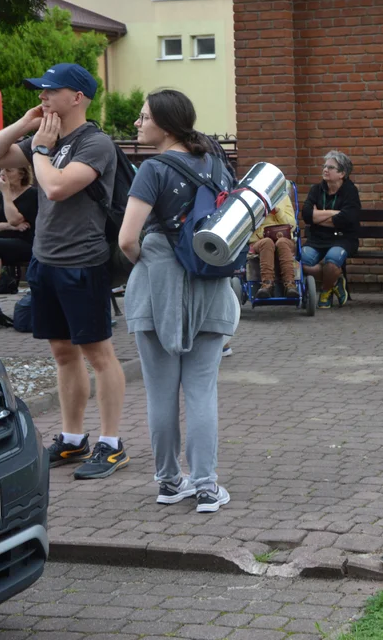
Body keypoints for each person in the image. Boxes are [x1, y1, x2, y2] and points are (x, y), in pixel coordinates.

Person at [0, 62, 127, 479]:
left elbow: (58, 187)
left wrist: (40, 151)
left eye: (49, 91)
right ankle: (73, 438)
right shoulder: (45, 136)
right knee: (62, 353)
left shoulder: (95, 143)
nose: (42, 96)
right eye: (39, 91)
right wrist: (26, 124)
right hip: (46, 261)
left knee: (98, 353)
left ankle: (112, 444)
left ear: (76, 97)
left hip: (83, 262)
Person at [118, 89, 238, 513]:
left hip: (157, 294)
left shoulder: (152, 168)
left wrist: (149, 265)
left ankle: (170, 482)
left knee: (160, 393)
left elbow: (127, 239)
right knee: (202, 391)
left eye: (143, 116)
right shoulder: (217, 162)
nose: (137, 122)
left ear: (165, 125)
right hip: (211, 290)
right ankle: (206, 486)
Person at [302, 150, 360, 308]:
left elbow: (346, 219)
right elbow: (307, 215)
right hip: (317, 239)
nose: (325, 169)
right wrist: (334, 214)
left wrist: (318, 216)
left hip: (343, 238)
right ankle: (336, 279)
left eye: (330, 167)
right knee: (301, 263)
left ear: (342, 173)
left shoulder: (350, 191)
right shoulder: (316, 190)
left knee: (332, 261)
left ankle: (326, 290)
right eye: (324, 166)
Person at [0, 166, 38, 296]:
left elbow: (14, 219)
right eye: (1, 170)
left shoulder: (33, 195)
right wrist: (6, 226)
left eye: (9, 170)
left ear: (22, 174)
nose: (2, 173)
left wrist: (5, 193)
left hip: (26, 243)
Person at [248, 180, 298, 300]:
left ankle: (290, 285)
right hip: (261, 241)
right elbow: (248, 229)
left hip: (283, 238)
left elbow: (292, 224)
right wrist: (265, 233)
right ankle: (267, 285)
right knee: (267, 242)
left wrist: (277, 212)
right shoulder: (252, 200)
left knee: (281, 242)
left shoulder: (283, 198)